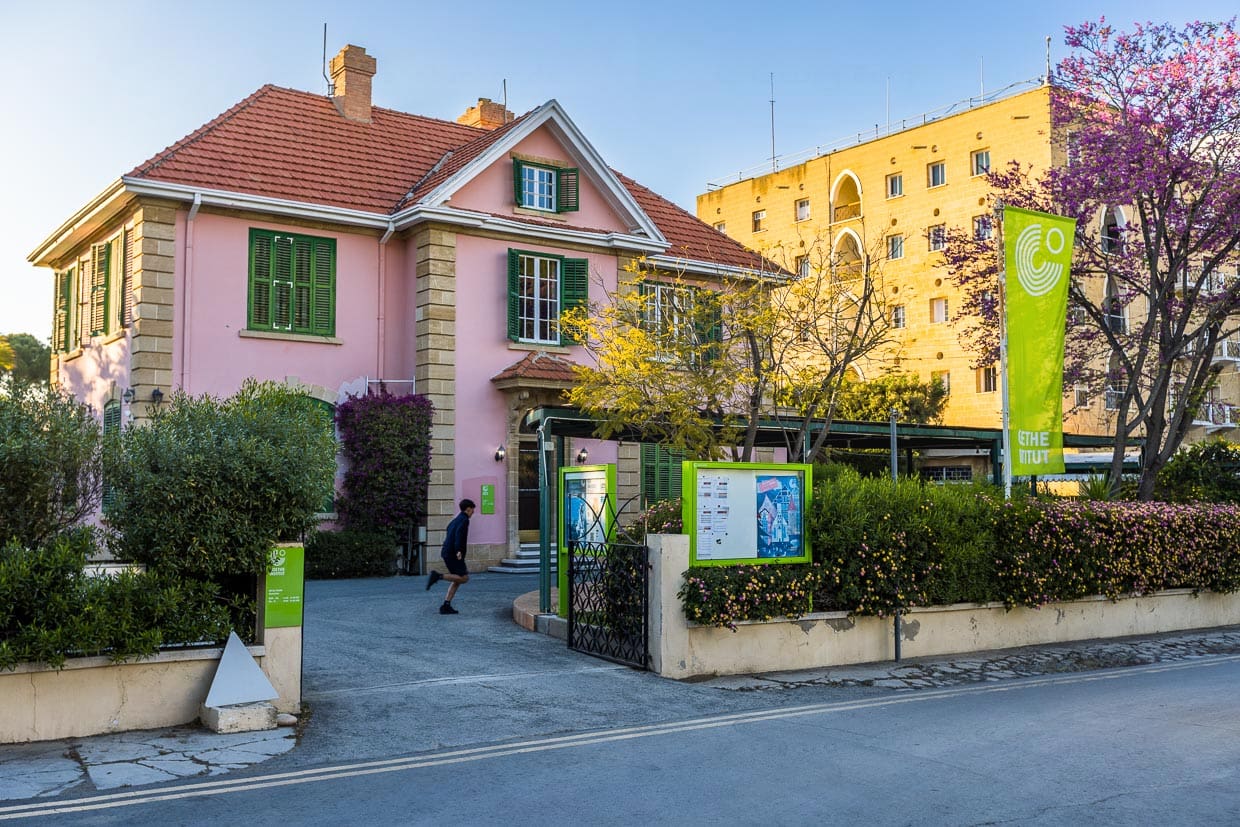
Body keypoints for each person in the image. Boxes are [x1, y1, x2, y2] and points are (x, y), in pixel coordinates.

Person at [426, 498, 475, 614]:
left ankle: (446, 605)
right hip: (453, 553)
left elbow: (449, 530)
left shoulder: (455, 520)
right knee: (464, 578)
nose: (473, 513)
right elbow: (459, 535)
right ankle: (438, 576)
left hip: (447, 552)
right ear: (468, 509)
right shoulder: (464, 520)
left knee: (457, 579)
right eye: (472, 510)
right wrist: (458, 550)